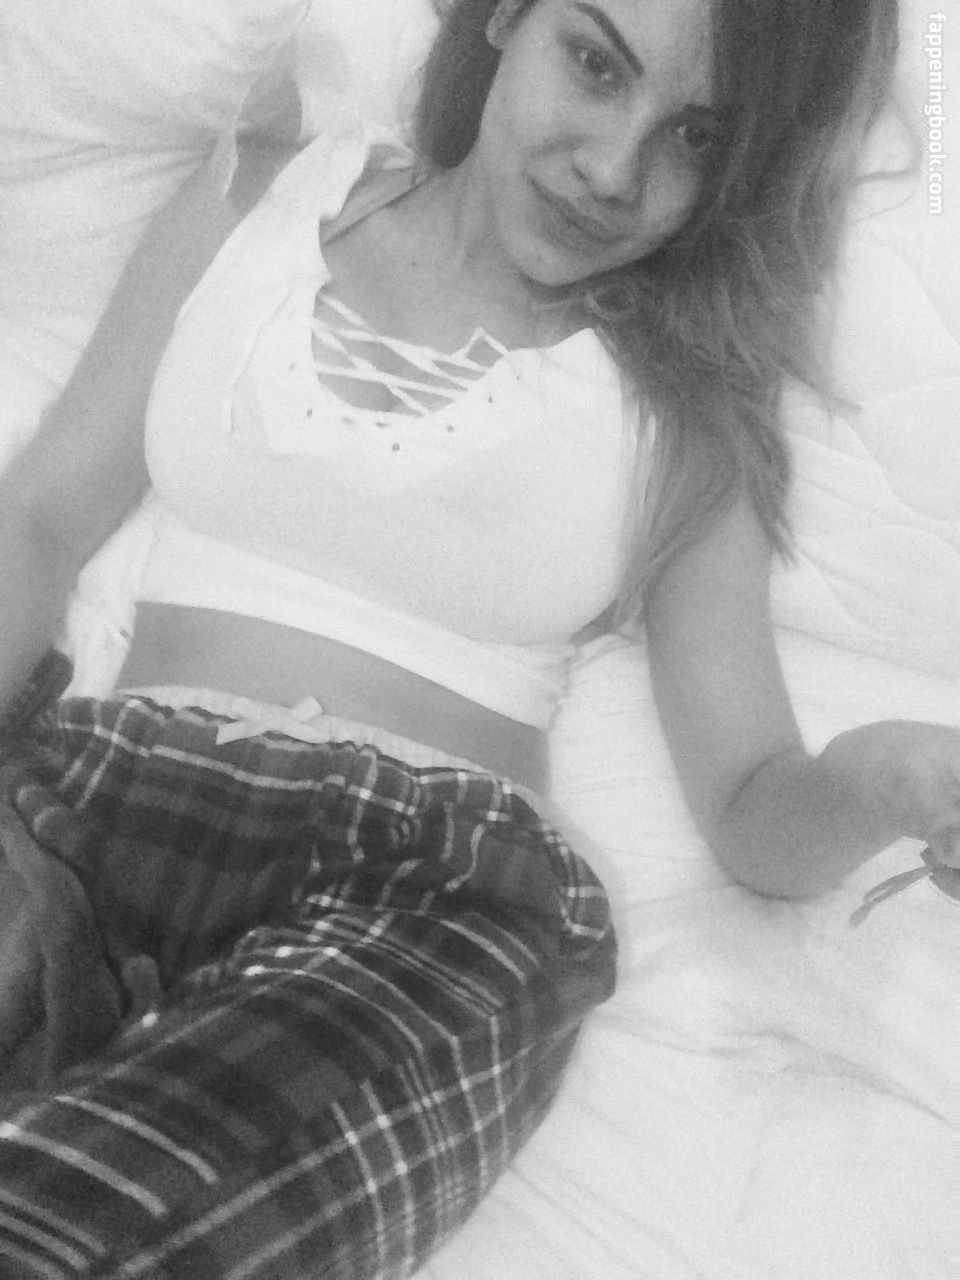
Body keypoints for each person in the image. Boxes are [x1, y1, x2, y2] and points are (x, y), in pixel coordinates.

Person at [0, 0, 954, 1274]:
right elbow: (39, 518)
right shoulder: (267, 192)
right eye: (595, 64)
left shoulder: (687, 402)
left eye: (696, 136)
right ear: (507, 15)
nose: (613, 169)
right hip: (81, 798)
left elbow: (750, 806)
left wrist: (885, 777)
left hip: (430, 888)